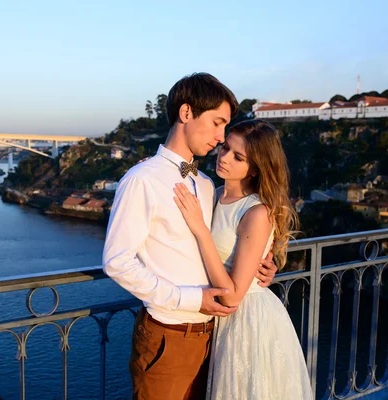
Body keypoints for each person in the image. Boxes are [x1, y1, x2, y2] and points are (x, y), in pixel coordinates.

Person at [102, 73, 278, 399]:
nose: (220, 137)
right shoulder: (143, 179)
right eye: (216, 123)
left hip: (216, 336)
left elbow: (220, 244)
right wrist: (191, 299)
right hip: (169, 335)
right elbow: (117, 262)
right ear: (186, 114)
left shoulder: (208, 184)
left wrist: (262, 267)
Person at [173, 119, 313, 399]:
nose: (224, 158)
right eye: (225, 148)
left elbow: (233, 296)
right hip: (217, 319)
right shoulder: (214, 192)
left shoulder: (256, 213)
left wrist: (201, 230)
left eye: (238, 157)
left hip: (247, 321)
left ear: (256, 168)